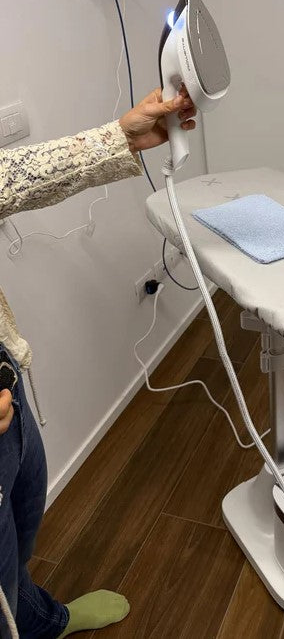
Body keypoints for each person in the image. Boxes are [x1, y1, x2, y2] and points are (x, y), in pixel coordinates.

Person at [0, 87, 197, 638]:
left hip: (7, 385)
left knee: (21, 523)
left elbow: (8, 179)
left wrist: (118, 140)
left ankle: (42, 622)